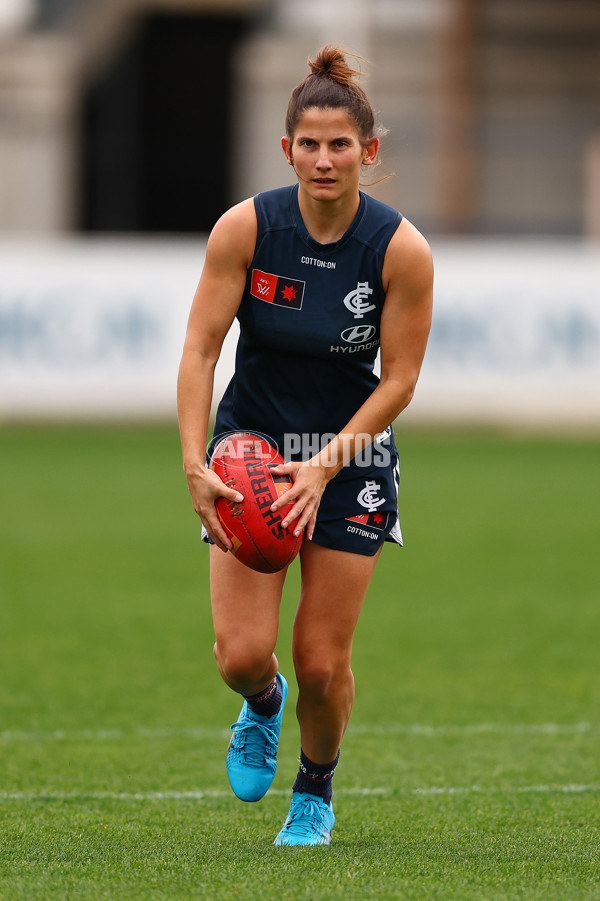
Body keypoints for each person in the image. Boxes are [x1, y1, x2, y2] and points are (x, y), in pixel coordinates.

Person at [177, 44, 433, 846]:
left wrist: (328, 461)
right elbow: (200, 350)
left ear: (370, 151)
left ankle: (315, 790)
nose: (325, 160)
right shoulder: (247, 228)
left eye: (341, 144)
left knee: (323, 660)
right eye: (310, 144)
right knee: (241, 655)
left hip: (348, 454)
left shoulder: (400, 250)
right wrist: (193, 459)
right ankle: (261, 704)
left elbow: (399, 380)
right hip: (250, 445)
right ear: (286, 149)